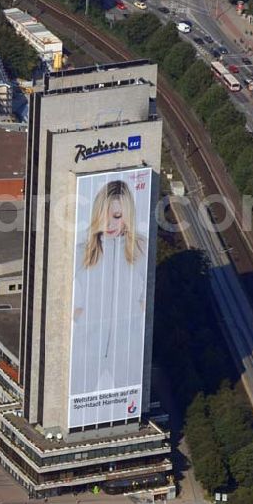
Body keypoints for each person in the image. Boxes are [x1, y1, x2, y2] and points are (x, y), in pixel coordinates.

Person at [70, 178, 148, 415]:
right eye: (105, 214)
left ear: (128, 216)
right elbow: (62, 293)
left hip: (127, 346)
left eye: (117, 216)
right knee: (76, 407)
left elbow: (147, 294)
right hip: (87, 345)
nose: (110, 223)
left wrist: (136, 316)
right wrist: (80, 316)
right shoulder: (83, 250)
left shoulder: (140, 248)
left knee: (128, 409)